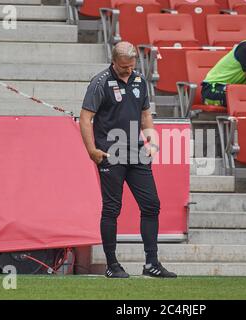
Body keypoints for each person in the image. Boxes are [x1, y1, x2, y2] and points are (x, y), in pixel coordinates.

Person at [79, 41, 177, 278]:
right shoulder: (100, 82)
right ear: (114, 62)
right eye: (124, 67)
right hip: (110, 153)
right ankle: (112, 266)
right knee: (112, 208)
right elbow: (85, 118)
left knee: (151, 204)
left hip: (136, 151)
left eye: (131, 66)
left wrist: (151, 139)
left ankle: (151, 263)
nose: (128, 71)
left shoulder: (140, 80)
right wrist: (92, 150)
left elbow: (145, 113)